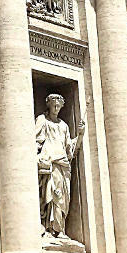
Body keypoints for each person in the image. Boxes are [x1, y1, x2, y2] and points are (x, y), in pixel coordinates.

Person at [34, 94, 84, 239]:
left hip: (63, 164)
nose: (56, 108)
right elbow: (35, 139)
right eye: (53, 105)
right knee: (52, 195)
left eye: (58, 106)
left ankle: (60, 228)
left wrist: (80, 134)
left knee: (63, 198)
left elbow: (71, 149)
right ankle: (50, 229)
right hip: (51, 161)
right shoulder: (42, 120)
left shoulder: (64, 125)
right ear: (48, 105)